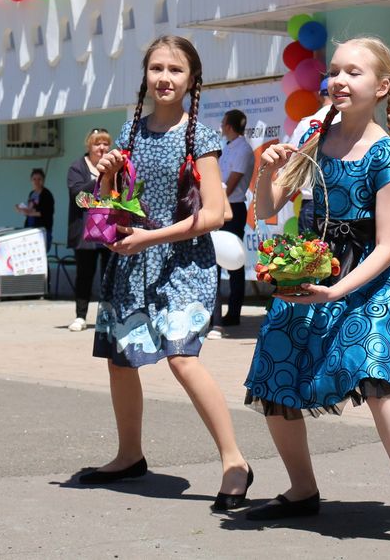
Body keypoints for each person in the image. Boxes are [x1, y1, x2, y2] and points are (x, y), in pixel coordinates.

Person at [246, 37, 390, 553]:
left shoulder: (384, 151)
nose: (339, 79)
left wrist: (337, 289)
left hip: (367, 279)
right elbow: (267, 209)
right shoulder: (314, 134)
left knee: (381, 381)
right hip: (311, 269)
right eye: (334, 70)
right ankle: (301, 489)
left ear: (381, 87)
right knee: (276, 377)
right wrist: (268, 164)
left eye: (353, 72)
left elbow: (388, 244)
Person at [82, 35, 253, 514]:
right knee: (120, 360)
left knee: (182, 357)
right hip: (130, 261)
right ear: (145, 75)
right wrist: (109, 173)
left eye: (175, 70)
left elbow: (217, 213)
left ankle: (234, 462)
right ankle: (129, 455)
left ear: (192, 80)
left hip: (182, 262)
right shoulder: (130, 131)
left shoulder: (199, 136)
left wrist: (148, 239)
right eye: (157, 68)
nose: (164, 78)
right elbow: (117, 200)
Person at [66, 128, 114, 332]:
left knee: (108, 275)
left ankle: (106, 316)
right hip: (85, 232)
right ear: (89, 145)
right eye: (97, 143)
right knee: (84, 275)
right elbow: (77, 196)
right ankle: (80, 316)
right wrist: (98, 180)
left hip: (108, 228)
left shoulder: (114, 166)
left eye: (105, 143)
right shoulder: (77, 167)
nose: (102, 148)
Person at [216, 109, 254, 327]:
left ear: (229, 126)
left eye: (223, 123)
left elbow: (231, 184)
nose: (221, 127)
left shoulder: (243, 149)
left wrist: (215, 200)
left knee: (233, 262)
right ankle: (215, 313)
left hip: (234, 207)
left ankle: (233, 312)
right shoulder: (228, 147)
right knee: (215, 262)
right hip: (220, 208)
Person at [286, 78, 336, 235]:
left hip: (312, 203)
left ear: (319, 96)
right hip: (347, 204)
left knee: (312, 258)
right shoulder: (350, 122)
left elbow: (291, 162)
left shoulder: (307, 124)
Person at [18, 168, 55, 248]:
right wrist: (21, 209)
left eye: (39, 179)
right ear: (31, 180)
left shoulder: (47, 195)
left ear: (43, 180)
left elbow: (46, 212)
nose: (36, 181)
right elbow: (30, 209)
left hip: (41, 230)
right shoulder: (32, 193)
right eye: (34, 179)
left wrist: (29, 212)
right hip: (30, 229)